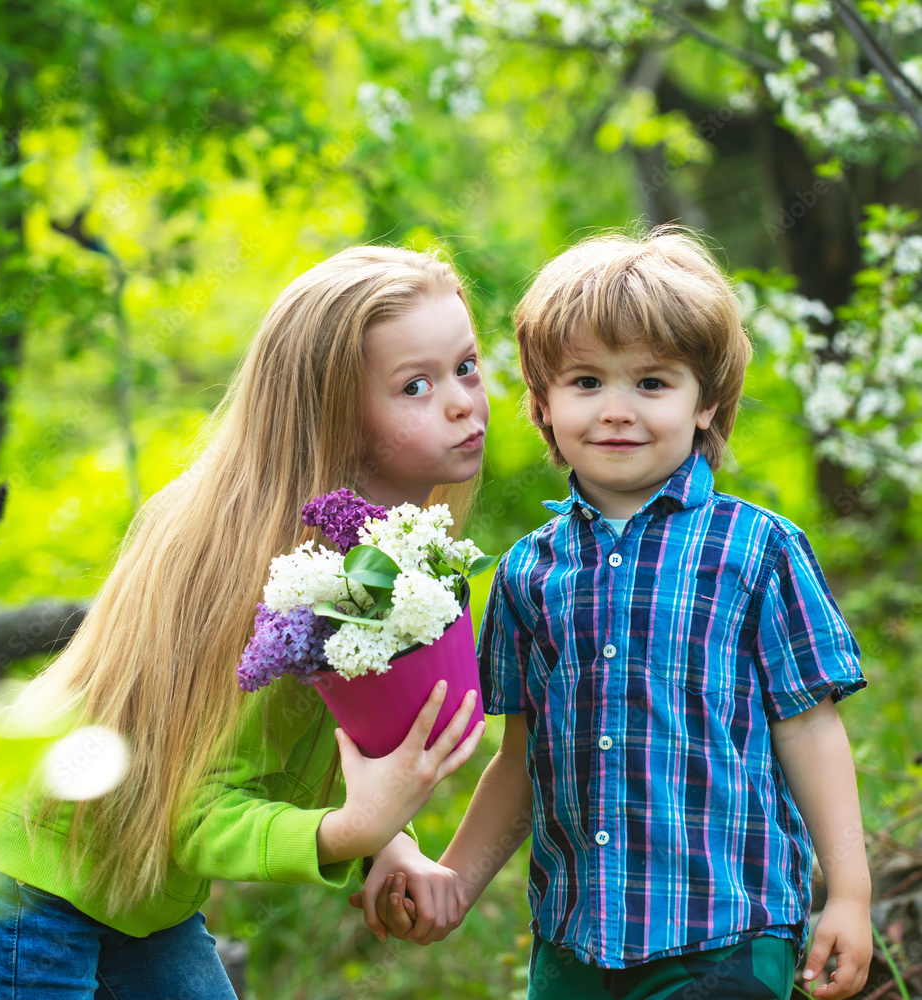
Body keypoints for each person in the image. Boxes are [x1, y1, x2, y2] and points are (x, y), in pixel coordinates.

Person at [0, 245, 490, 998]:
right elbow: (198, 808)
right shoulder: (271, 576)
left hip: (139, 890)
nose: (465, 400)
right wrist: (349, 833)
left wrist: (382, 844)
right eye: (416, 385)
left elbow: (308, 749)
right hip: (28, 878)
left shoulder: (385, 563)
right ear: (334, 415)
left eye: (465, 366)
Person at [357, 228, 872, 1000]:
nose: (618, 411)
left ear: (708, 404)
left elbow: (809, 727)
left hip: (723, 932)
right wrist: (455, 881)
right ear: (543, 403)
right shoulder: (531, 572)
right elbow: (521, 757)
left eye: (653, 384)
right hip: (575, 942)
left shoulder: (756, 549)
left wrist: (851, 893)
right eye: (587, 382)